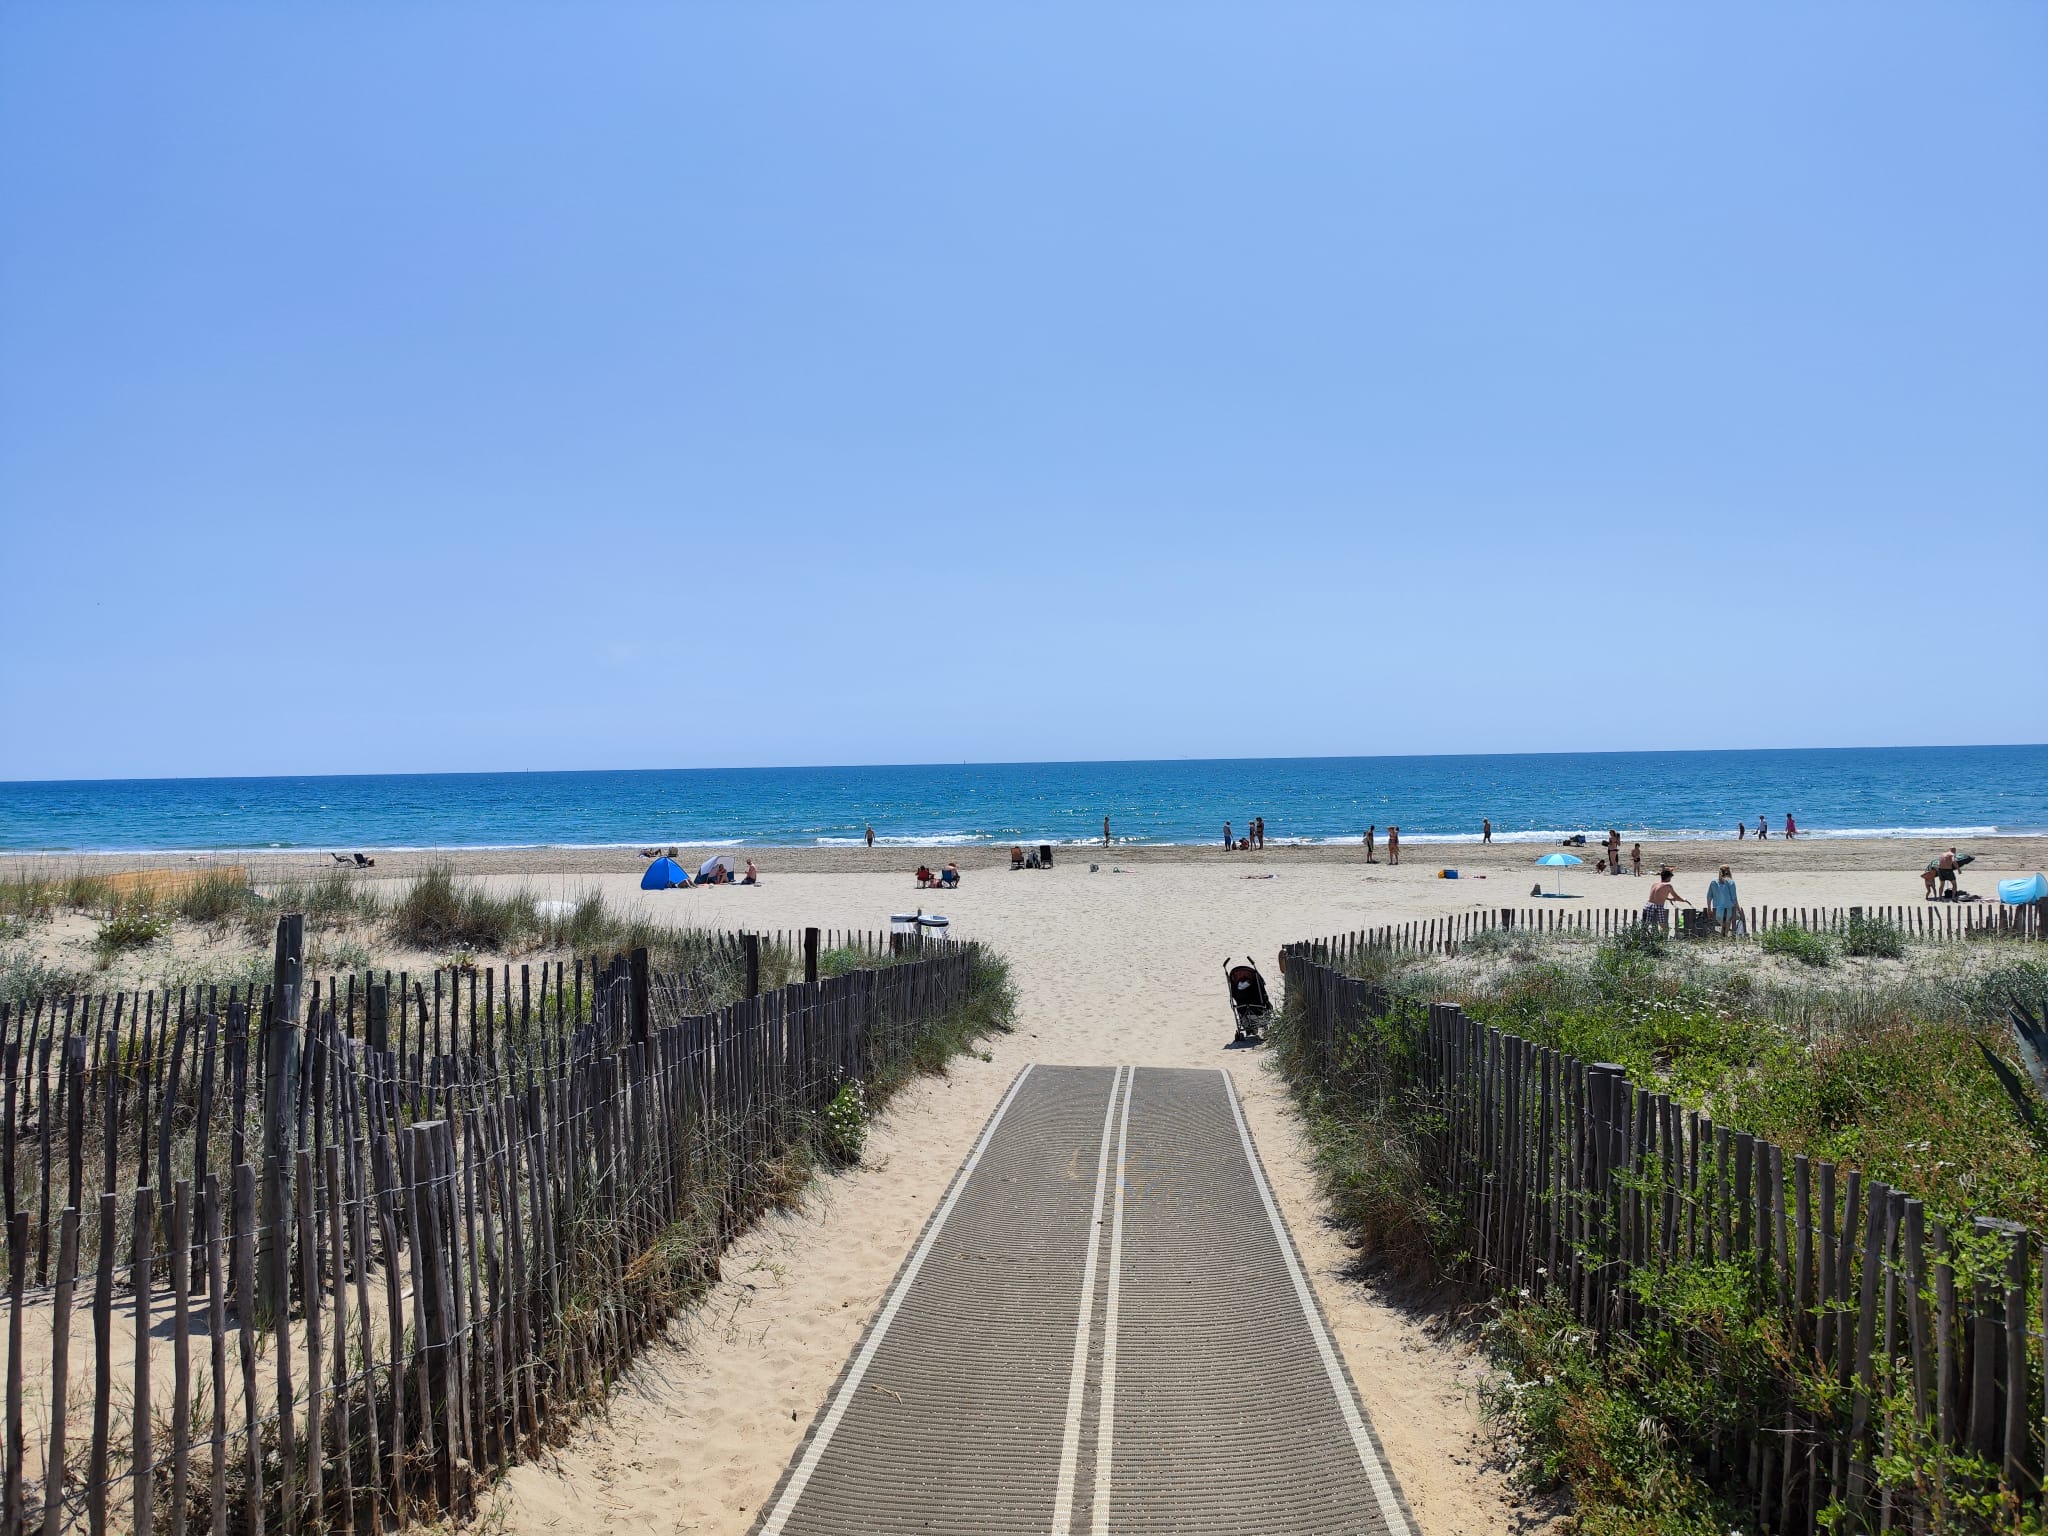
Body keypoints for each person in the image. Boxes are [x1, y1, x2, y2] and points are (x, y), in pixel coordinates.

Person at [1706, 865, 1739, 934]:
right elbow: (1734, 899)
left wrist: (1709, 909)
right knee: (1727, 928)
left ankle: (1722, 936)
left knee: (1723, 927)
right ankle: (1724, 937)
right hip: (1728, 910)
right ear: (1729, 872)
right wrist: (1739, 910)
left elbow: (1709, 897)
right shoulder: (1731, 882)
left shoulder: (1713, 882)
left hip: (1717, 911)